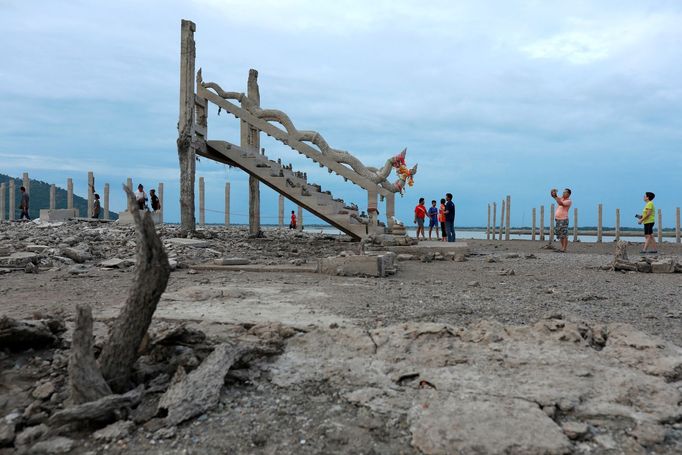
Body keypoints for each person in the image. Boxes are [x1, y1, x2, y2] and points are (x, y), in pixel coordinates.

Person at [550, 188, 572, 252]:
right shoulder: (561, 199)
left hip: (564, 219)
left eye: (565, 192)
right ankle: (562, 248)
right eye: (563, 192)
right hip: (558, 219)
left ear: (569, 194)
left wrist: (556, 196)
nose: (563, 193)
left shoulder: (569, 201)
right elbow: (554, 197)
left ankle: (564, 248)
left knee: (564, 234)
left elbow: (560, 203)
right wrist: (553, 193)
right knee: (560, 235)